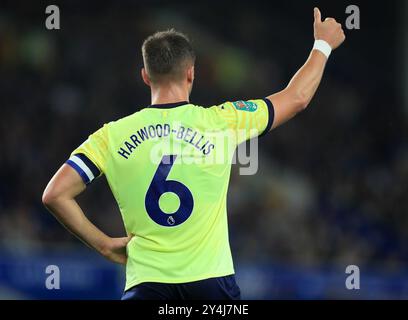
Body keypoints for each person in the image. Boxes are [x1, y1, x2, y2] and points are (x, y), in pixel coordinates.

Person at [42, 8, 345, 300]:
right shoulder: (222, 121)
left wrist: (105, 245)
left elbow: (55, 195)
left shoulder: (110, 136)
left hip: (147, 283)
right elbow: (297, 98)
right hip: (212, 284)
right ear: (191, 73)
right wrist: (323, 44)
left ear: (146, 76)